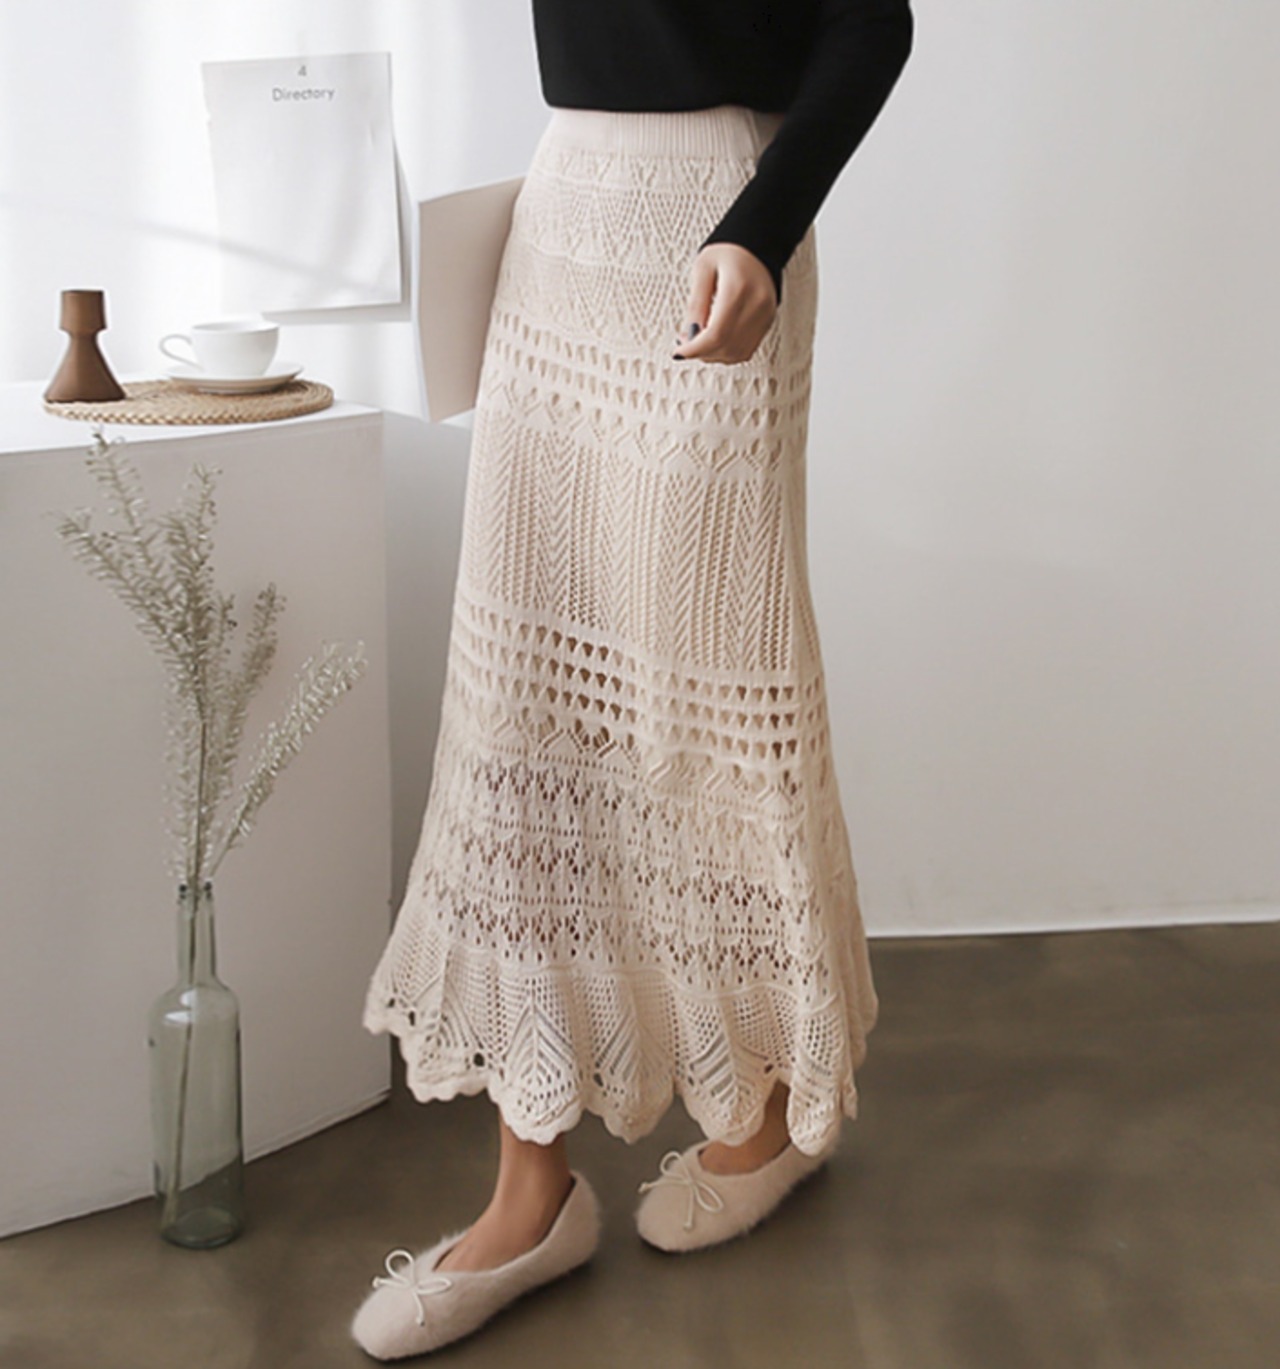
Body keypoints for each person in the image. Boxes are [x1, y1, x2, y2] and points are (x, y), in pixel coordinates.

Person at [352, 0, 914, 1357]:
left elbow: (870, 23)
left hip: (722, 231)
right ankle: (530, 1190)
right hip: (564, 221)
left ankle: (764, 1108)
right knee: (521, 703)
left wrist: (762, 226)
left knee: (705, 689)